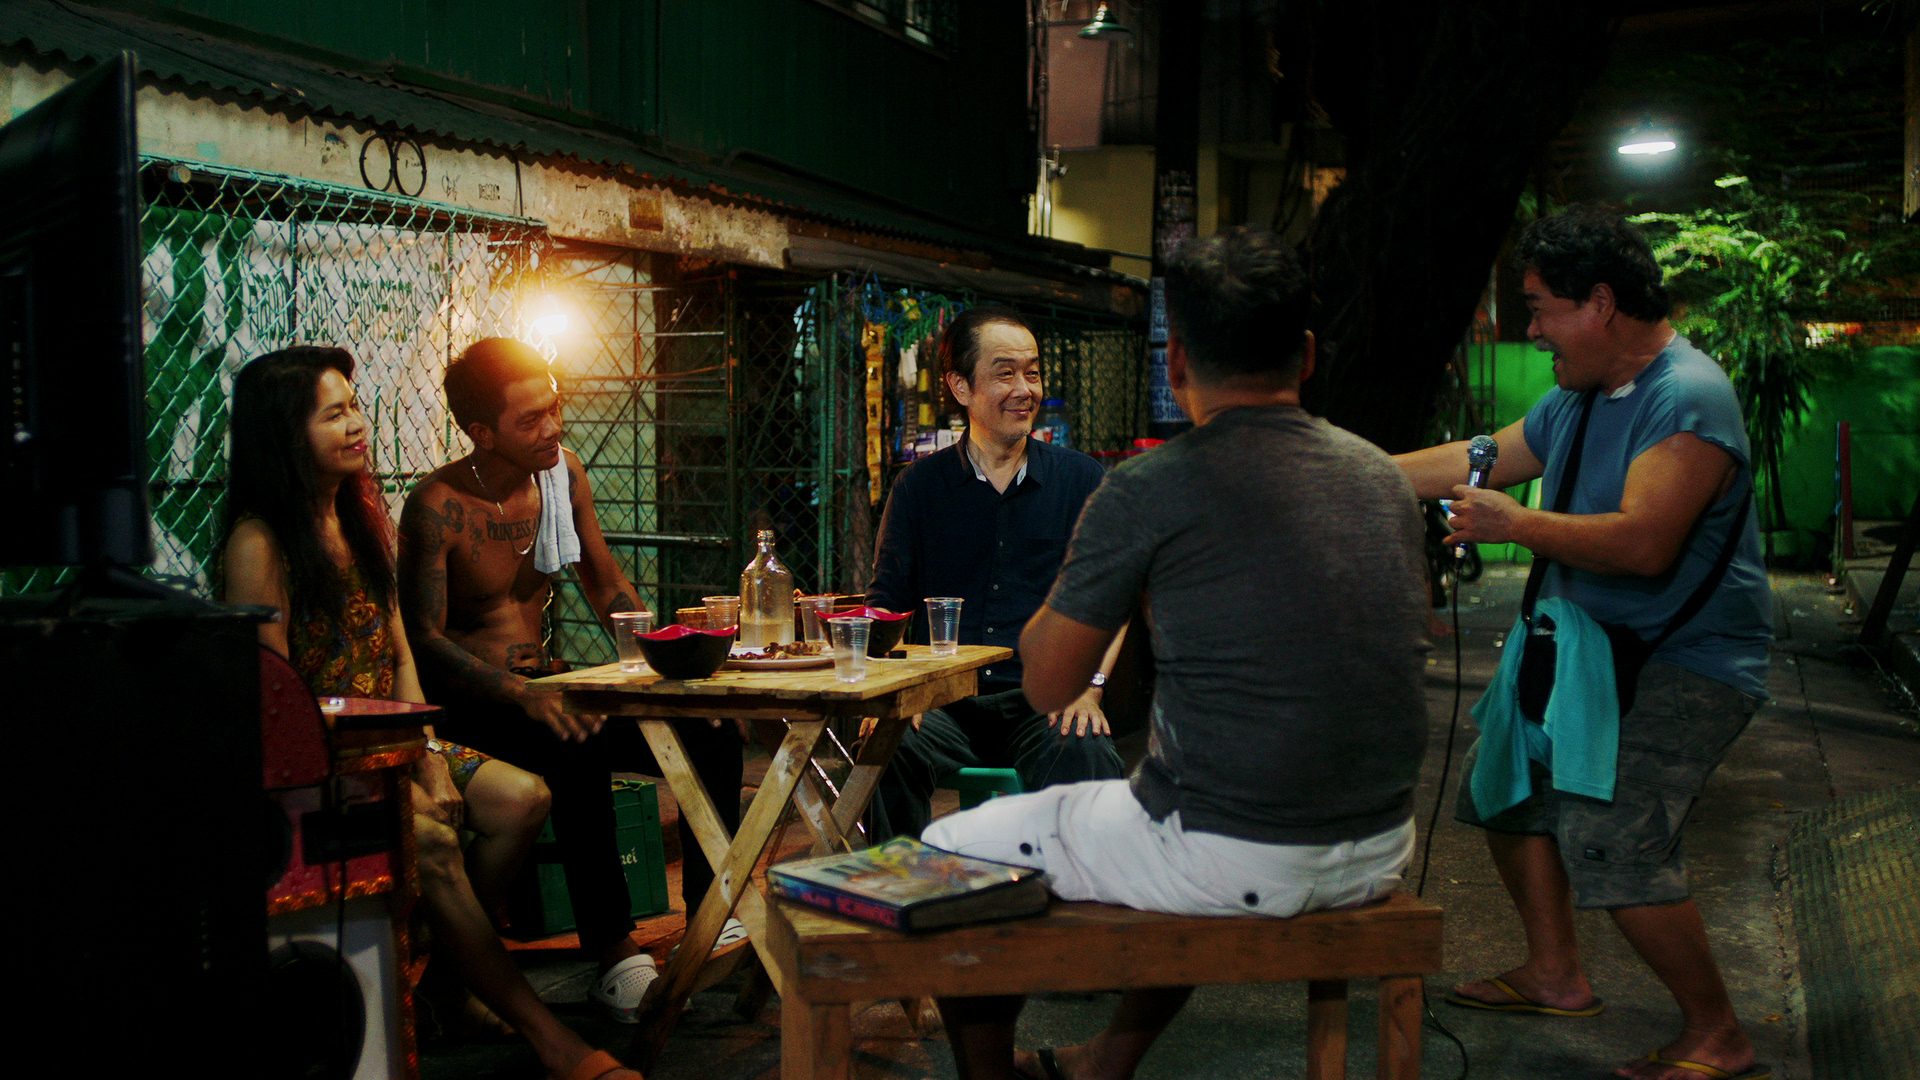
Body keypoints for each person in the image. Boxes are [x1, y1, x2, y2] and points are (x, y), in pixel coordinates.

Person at [923, 228, 1432, 1080]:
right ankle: (1105, 1062)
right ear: (1307, 357)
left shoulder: (1147, 486)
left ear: (1179, 362)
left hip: (1233, 851)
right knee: (1153, 809)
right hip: (1378, 842)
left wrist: (1090, 567)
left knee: (952, 843)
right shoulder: (1380, 476)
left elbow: (1046, 683)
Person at [1396, 207, 1772, 1080]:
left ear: (1600, 304)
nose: (1532, 331)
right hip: (1582, 649)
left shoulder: (1687, 396)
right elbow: (1483, 455)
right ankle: (1555, 973)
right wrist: (1348, 470)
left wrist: (1516, 525)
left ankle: (1717, 1033)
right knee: (1506, 790)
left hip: (1682, 661)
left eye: (1540, 309)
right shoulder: (1579, 396)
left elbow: (1645, 543)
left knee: (1614, 836)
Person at [221, 347, 638, 1080]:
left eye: (355, 407)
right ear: (284, 434)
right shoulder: (260, 543)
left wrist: (426, 754)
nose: (357, 425)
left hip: (396, 743)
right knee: (436, 845)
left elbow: (401, 653)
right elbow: (274, 703)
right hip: (318, 772)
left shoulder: (352, 519)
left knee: (523, 798)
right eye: (334, 414)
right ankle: (551, 1039)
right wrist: (391, 772)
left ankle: (447, 984)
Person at [397, 337, 746, 1023]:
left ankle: (713, 916)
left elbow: (606, 585)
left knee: (709, 730)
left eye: (554, 408)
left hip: (546, 689)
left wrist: (670, 663)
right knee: (576, 741)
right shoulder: (436, 506)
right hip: (473, 705)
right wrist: (521, 693)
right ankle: (614, 955)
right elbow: (424, 644)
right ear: (482, 431)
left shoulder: (562, 474)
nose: (552, 427)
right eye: (530, 419)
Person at [864, 306, 1127, 841]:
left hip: (1043, 700)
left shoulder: (1081, 480)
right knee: (883, 748)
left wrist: (1090, 687)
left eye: (1032, 373)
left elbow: (1112, 598)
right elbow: (886, 603)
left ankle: (1075, 893)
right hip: (941, 701)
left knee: (1088, 751)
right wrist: (892, 693)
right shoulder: (918, 489)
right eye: (1005, 373)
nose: (1024, 389)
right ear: (960, 387)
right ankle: (896, 883)